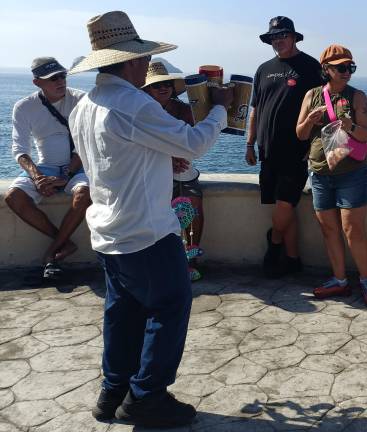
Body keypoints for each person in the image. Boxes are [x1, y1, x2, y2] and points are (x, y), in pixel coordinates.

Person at [68, 11, 233, 427]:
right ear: (127, 60)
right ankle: (147, 397)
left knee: (122, 313)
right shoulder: (133, 103)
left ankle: (113, 392)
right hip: (145, 230)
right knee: (170, 306)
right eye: (141, 58)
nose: (146, 65)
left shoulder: (86, 104)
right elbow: (195, 143)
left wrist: (163, 156)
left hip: (108, 228)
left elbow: (118, 158)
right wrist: (219, 110)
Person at [296, 44, 367, 308]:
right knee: (329, 229)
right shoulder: (312, 96)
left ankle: (366, 281)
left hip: (351, 173)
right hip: (320, 172)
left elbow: (366, 135)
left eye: (350, 67)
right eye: (341, 67)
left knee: (352, 230)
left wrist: (350, 125)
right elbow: (300, 133)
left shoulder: (358, 97)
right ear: (326, 69)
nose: (347, 72)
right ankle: (340, 280)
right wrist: (310, 120)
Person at [246, 16, 323, 278]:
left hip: (296, 151)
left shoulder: (311, 66)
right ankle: (293, 260)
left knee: (284, 206)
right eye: (274, 37)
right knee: (284, 207)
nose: (278, 41)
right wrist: (249, 143)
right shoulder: (263, 69)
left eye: (283, 36)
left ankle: (274, 242)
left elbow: (324, 106)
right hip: (267, 151)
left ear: (294, 37)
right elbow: (255, 110)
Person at [5, 57, 89, 281]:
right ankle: (63, 242)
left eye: (62, 76)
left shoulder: (81, 100)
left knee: (84, 194)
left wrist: (67, 175)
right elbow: (20, 148)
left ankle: (51, 253)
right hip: (45, 168)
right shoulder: (24, 107)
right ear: (37, 83)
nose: (60, 81)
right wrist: (38, 177)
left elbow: (87, 142)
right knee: (14, 197)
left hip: (77, 167)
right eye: (52, 79)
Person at [142, 60, 205, 282]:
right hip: (153, 174)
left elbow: (197, 138)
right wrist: (168, 159)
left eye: (166, 83)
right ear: (146, 89)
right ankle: (162, 262)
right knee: (157, 217)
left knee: (194, 211)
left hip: (185, 171)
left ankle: (191, 260)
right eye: (157, 85)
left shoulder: (186, 110)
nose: (163, 87)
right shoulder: (141, 113)